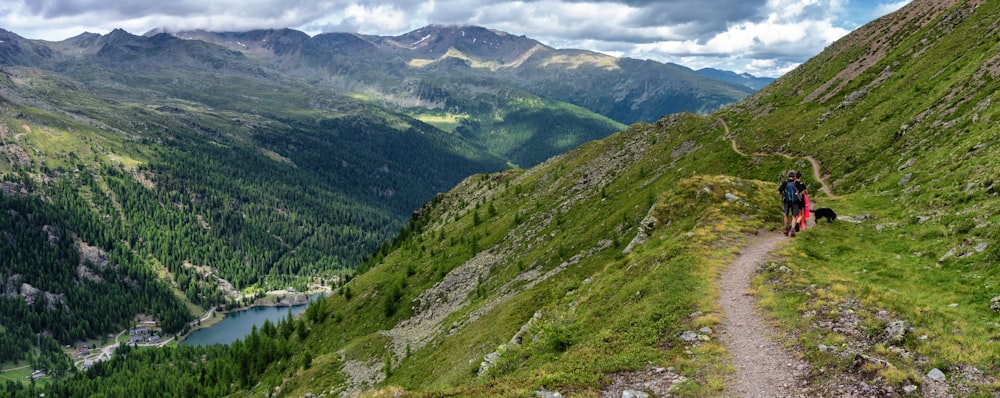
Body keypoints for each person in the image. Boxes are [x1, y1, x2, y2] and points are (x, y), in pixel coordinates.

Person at [779, 171, 800, 237]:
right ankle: (792, 230)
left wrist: (783, 196)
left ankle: (785, 229)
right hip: (795, 202)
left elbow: (779, 191)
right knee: (794, 216)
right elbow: (801, 191)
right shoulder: (796, 183)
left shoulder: (785, 183)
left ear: (788, 176)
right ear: (794, 176)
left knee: (786, 214)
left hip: (786, 201)